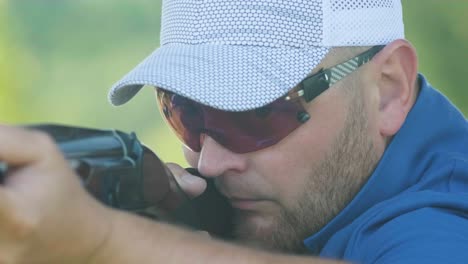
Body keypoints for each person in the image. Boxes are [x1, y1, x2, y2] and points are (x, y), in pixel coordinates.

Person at [0, 0, 467, 263]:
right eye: (186, 113)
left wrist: (104, 240)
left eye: (256, 115)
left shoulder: (443, 225)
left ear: (388, 89)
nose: (209, 162)